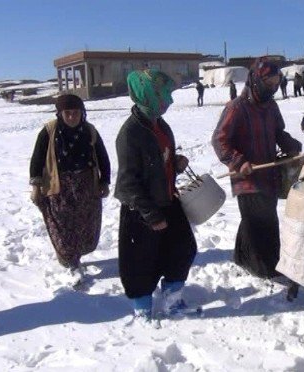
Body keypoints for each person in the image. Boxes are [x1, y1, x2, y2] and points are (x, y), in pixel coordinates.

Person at [114, 69, 198, 321]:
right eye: (164, 95)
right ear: (148, 95)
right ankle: (143, 312)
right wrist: (151, 215)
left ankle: (172, 301)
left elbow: (160, 159)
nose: (169, 101)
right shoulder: (130, 133)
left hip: (167, 201)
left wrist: (175, 161)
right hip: (140, 210)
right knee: (140, 263)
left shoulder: (159, 125)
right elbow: (128, 182)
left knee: (183, 249)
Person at [212, 57, 302, 279]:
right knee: (261, 220)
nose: (272, 88)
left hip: (269, 173)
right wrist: (238, 161)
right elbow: (219, 140)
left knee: (257, 217)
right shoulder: (237, 107)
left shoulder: (271, 106)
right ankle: (265, 267)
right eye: (268, 83)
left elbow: (278, 132)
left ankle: (243, 257)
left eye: (275, 83)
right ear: (255, 80)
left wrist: (289, 144)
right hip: (247, 176)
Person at [29, 94, 111, 283]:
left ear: (82, 113)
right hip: (58, 188)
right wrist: (36, 187)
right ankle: (72, 262)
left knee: (85, 226)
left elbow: (103, 157)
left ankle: (75, 255)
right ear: (60, 114)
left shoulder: (89, 131)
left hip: (86, 186)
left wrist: (104, 182)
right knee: (63, 226)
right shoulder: (49, 131)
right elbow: (37, 160)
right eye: (68, 113)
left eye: (76, 113)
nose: (72, 117)